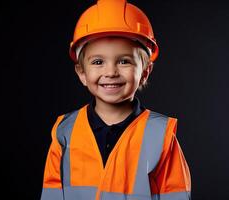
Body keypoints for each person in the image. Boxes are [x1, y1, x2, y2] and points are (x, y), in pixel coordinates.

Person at [41, 0, 191, 199]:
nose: (111, 72)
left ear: (145, 71)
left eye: (124, 61)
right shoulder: (64, 131)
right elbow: (51, 192)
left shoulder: (160, 135)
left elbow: (176, 194)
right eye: (98, 62)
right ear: (81, 72)